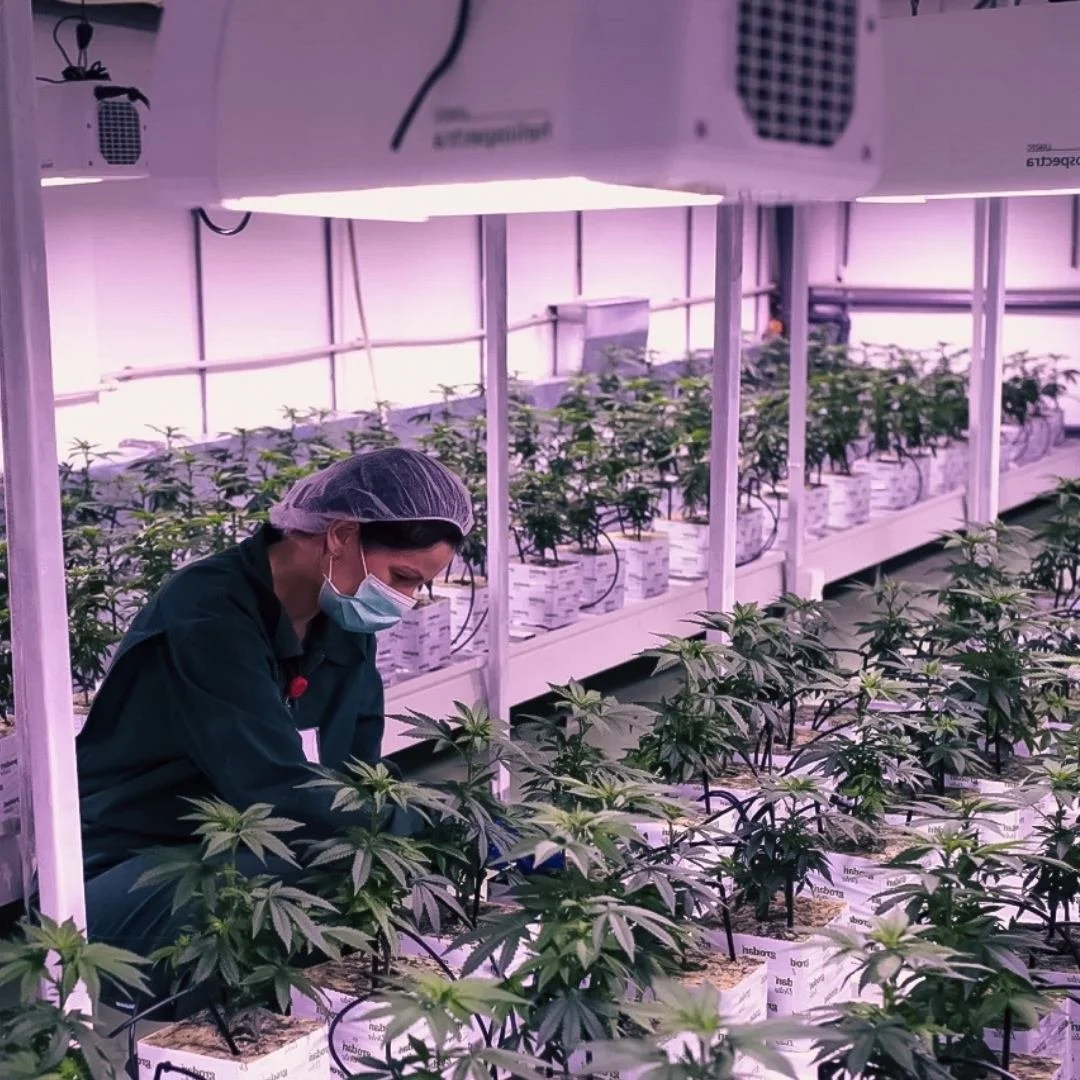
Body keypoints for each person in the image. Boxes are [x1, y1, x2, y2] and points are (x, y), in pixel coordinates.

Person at [76, 446, 472, 1001]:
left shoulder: (342, 617)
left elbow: (355, 771)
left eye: (417, 586)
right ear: (339, 535)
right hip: (136, 865)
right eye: (402, 577)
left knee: (356, 874)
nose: (404, 601)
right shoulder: (207, 613)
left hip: (250, 844)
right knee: (291, 894)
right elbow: (272, 789)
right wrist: (434, 819)